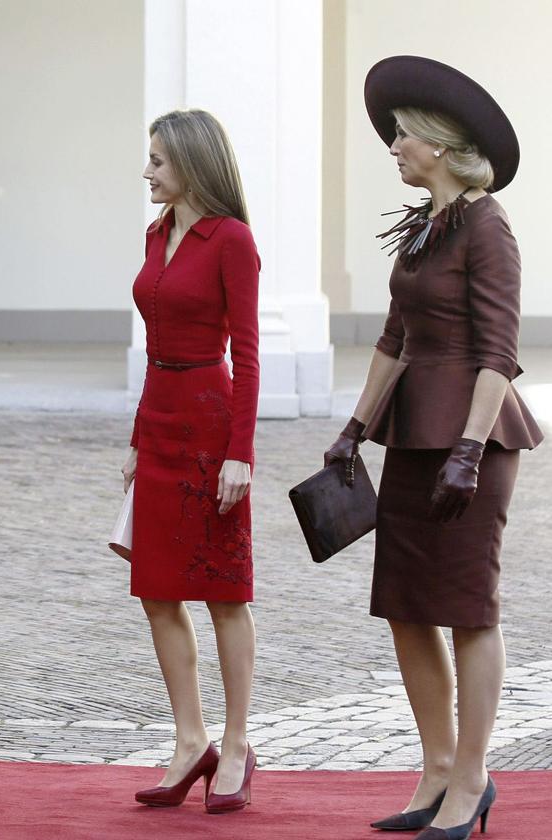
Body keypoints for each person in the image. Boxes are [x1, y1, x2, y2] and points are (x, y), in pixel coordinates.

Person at [327, 56, 542, 840]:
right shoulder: (423, 226)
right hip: (411, 434)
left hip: (468, 439)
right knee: (408, 610)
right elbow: (394, 339)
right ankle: (438, 767)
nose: (393, 143)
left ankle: (475, 776)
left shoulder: (488, 228)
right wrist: (354, 429)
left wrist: (469, 451)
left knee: (467, 610)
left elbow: (499, 352)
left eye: (403, 134)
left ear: (443, 148)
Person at [121, 110, 260, 814]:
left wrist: (241, 454)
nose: (146, 171)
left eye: (157, 161)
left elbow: (250, 354)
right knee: (157, 589)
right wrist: (139, 438)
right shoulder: (157, 232)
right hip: (163, 417)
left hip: (210, 418)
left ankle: (236, 745)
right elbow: (154, 347)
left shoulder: (231, 240)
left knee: (224, 591)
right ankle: (189, 740)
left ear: (192, 165)